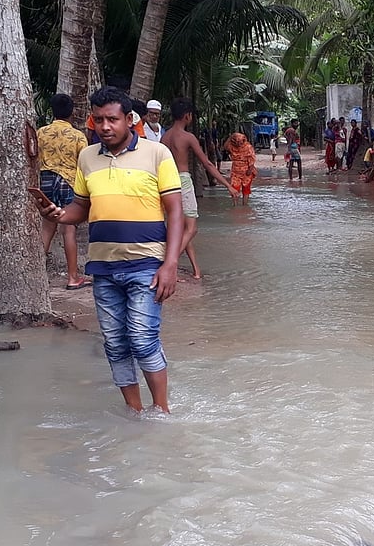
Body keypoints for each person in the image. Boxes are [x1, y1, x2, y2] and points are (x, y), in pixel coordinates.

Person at [37, 86, 183, 413]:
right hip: (103, 269)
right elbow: (80, 208)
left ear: (129, 120)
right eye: (99, 119)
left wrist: (170, 263)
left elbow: (175, 210)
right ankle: (135, 413)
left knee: (143, 340)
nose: (105, 126)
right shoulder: (87, 157)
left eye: (112, 119)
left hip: (147, 264)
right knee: (116, 344)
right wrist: (59, 215)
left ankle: (161, 412)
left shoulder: (157, 154)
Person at [161, 98, 233, 279]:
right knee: (192, 229)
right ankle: (169, 264)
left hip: (166, 183)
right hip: (183, 182)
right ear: (187, 116)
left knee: (179, 229)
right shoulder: (187, 137)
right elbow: (207, 163)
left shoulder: (164, 137)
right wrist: (228, 185)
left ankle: (196, 272)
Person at [36, 93, 90, 290]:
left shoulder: (41, 133)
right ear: (72, 111)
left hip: (46, 181)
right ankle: (72, 278)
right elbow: (84, 164)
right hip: (69, 182)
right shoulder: (77, 136)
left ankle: (35, 277)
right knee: (69, 230)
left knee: (47, 228)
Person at [224, 131, 257, 206]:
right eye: (238, 141)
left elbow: (252, 158)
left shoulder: (248, 147)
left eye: (241, 141)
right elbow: (225, 147)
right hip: (235, 171)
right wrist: (230, 137)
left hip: (246, 171)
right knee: (235, 188)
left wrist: (250, 169)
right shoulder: (232, 147)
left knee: (246, 190)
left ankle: (244, 205)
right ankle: (235, 205)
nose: (240, 143)